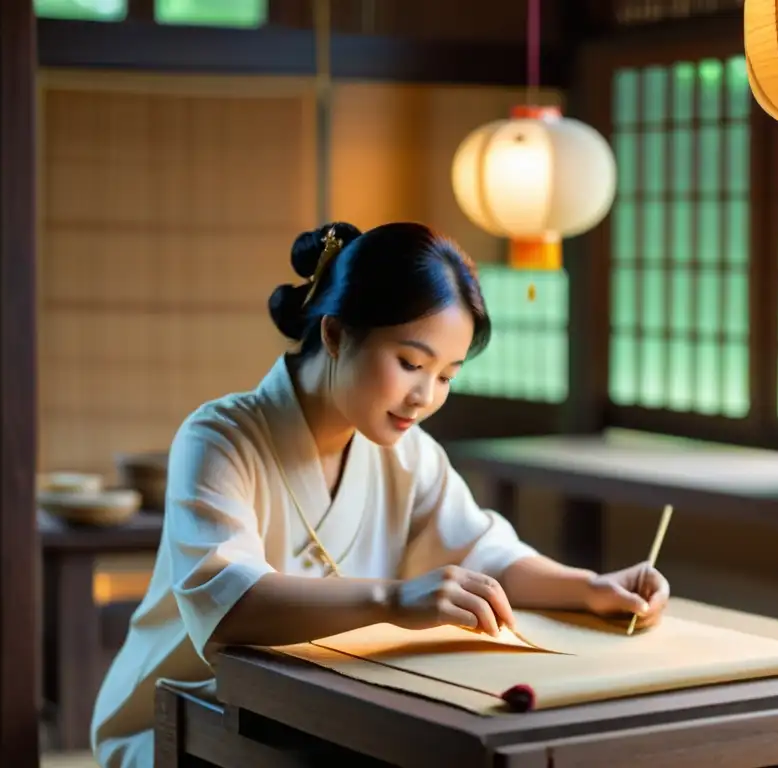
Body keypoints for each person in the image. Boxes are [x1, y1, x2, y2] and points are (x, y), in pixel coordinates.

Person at [90, 221, 671, 767]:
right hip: (190, 717)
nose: (424, 396)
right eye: (411, 362)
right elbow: (232, 606)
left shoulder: (406, 450)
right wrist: (396, 601)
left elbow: (484, 555)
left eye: (446, 375)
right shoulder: (219, 438)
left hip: (317, 712)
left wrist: (590, 587)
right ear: (337, 334)